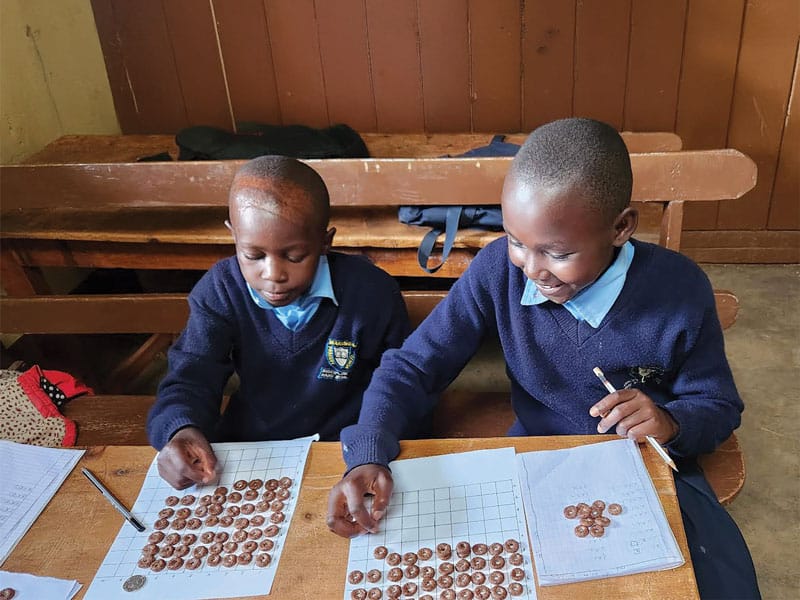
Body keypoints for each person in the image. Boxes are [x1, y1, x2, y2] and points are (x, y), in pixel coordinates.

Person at [326, 118, 760, 599]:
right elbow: (414, 366)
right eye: (515, 240)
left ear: (620, 227)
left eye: (557, 252)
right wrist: (366, 450)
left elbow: (717, 403)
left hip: (647, 462)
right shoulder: (499, 271)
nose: (533, 271)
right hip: (539, 455)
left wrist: (670, 422)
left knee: (706, 581)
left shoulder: (678, 290)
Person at [147, 155, 412, 491]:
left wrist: (372, 445)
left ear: (324, 241)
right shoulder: (221, 291)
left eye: (294, 256)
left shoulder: (371, 292)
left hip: (349, 448)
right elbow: (191, 376)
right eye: (253, 256)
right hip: (255, 446)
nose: (273, 276)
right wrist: (179, 428)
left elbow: (400, 381)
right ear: (234, 237)